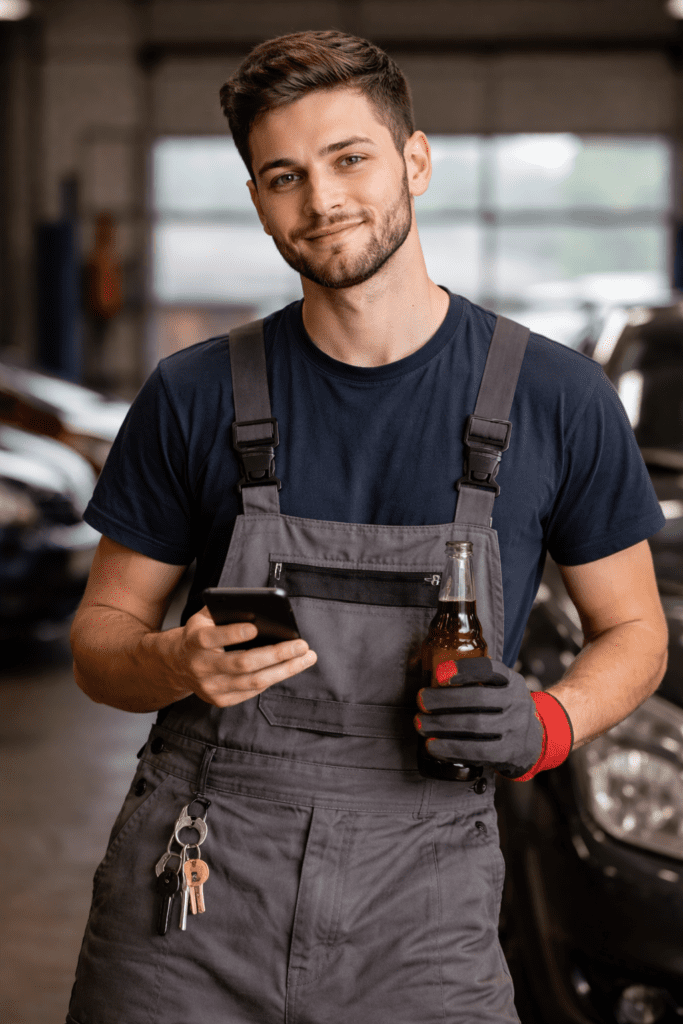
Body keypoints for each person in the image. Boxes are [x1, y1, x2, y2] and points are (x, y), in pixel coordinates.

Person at [66, 30, 668, 1024]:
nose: (321, 199)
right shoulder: (192, 395)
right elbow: (99, 642)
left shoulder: (554, 398)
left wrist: (547, 723)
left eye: (349, 158)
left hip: (422, 902)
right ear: (257, 198)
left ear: (413, 161)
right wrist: (178, 660)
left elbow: (634, 633)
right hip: (198, 896)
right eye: (282, 176)